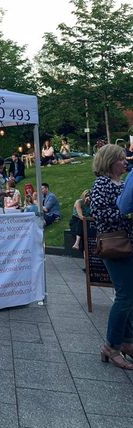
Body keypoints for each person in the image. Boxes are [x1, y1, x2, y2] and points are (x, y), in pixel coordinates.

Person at [89, 144, 133, 369]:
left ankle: (126, 341)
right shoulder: (102, 184)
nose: (125, 162)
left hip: (128, 244)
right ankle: (112, 346)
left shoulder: (123, 183)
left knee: (129, 295)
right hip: (115, 246)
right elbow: (98, 213)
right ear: (109, 162)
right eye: (120, 159)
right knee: (125, 296)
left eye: (125, 159)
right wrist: (126, 213)